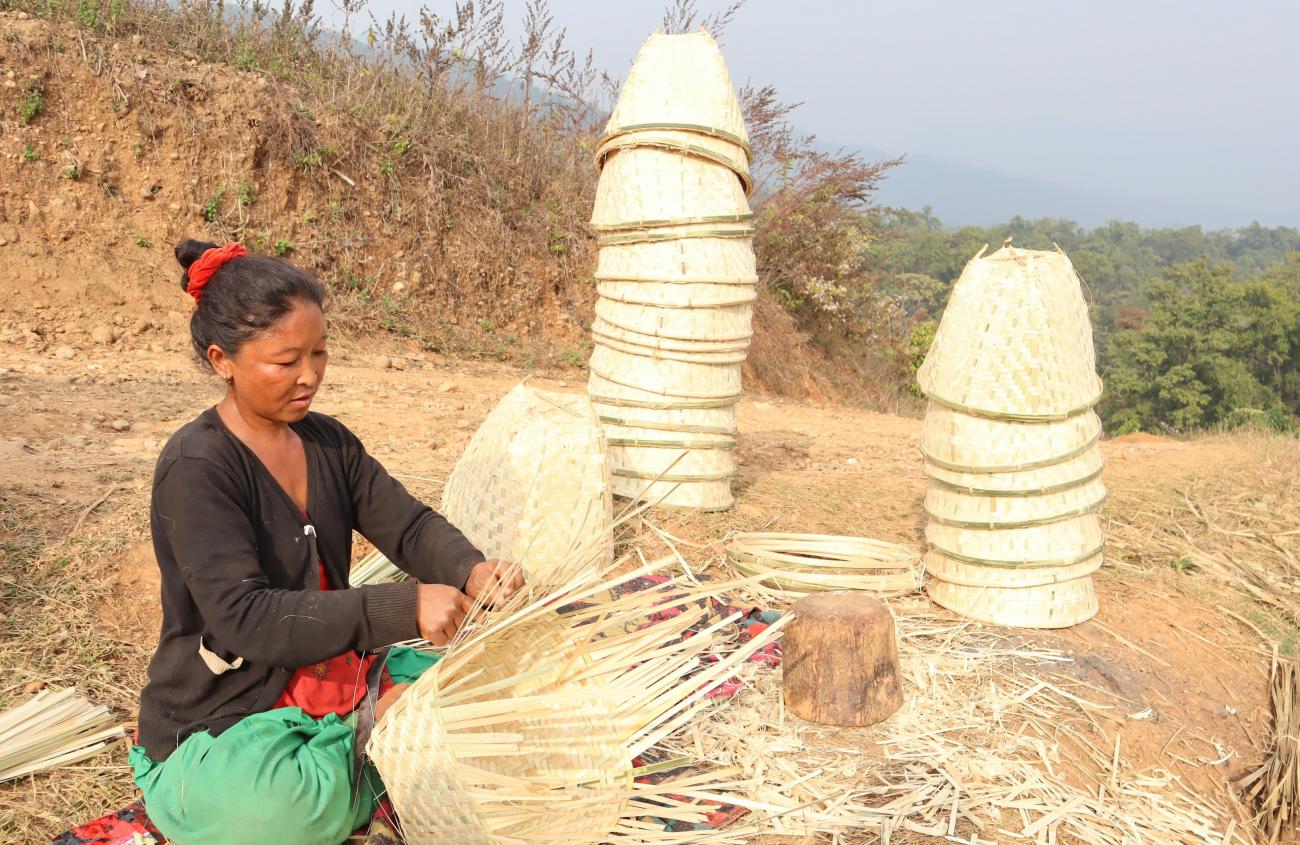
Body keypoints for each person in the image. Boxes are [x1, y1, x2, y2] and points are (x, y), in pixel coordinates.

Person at [128, 240, 522, 845]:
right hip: (226, 715)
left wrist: (470, 569)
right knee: (281, 812)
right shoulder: (197, 465)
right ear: (221, 360)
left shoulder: (328, 443)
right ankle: (378, 756)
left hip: (333, 671)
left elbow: (408, 526)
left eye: (319, 353)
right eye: (285, 361)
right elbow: (243, 618)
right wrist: (403, 605)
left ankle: (372, 747)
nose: (309, 375)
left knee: (490, 685)